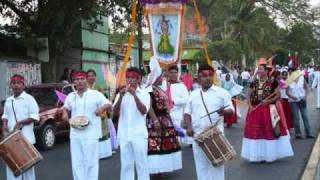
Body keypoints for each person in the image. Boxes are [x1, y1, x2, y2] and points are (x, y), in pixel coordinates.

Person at [184, 64, 234, 180]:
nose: (208, 78)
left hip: (215, 135)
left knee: (217, 166)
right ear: (199, 78)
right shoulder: (193, 94)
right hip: (198, 136)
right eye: (204, 76)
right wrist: (189, 127)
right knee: (201, 167)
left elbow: (231, 110)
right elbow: (187, 113)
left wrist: (224, 112)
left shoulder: (222, 93)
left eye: (210, 75)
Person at [61, 71, 112, 180]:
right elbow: (65, 108)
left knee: (91, 162)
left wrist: (101, 108)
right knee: (77, 162)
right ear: (74, 82)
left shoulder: (95, 94)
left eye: (82, 79)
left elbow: (108, 103)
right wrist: (65, 113)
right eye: (77, 79)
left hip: (91, 133)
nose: (80, 81)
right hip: (75, 134)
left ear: (86, 80)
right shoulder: (71, 96)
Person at [241, 63, 294, 162]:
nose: (259, 71)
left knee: (268, 132)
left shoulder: (273, 82)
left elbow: (277, 96)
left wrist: (268, 101)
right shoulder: (254, 82)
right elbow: (248, 94)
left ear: (266, 71)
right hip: (255, 110)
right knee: (256, 133)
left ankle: (269, 155)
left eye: (261, 69)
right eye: (258, 69)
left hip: (269, 110)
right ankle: (257, 156)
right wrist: (250, 106)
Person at [113, 67, 151, 180]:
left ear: (138, 79)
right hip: (124, 134)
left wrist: (134, 95)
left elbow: (144, 111)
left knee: (141, 165)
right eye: (128, 77)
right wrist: (120, 97)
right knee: (126, 165)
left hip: (138, 135)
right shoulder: (121, 94)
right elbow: (115, 112)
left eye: (133, 77)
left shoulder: (145, 94)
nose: (130, 80)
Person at [1, 74, 40, 180]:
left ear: (23, 85)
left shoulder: (29, 99)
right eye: (14, 83)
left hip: (26, 139)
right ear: (11, 85)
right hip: (11, 140)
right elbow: (5, 115)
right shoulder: (9, 100)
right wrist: (4, 126)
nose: (16, 85)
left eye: (19, 83)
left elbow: (35, 116)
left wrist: (21, 123)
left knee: (27, 169)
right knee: (12, 168)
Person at [146, 73, 182, 175]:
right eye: (161, 77)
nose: (163, 79)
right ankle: (155, 169)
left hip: (165, 119)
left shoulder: (158, 88)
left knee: (164, 144)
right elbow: (149, 106)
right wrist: (155, 120)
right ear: (156, 78)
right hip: (156, 120)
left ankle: (161, 168)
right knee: (156, 144)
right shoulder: (150, 90)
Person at [86, 69, 112, 159]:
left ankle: (102, 153)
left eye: (92, 76)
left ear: (95, 77)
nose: (91, 78)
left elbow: (102, 100)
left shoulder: (98, 87)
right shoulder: (85, 88)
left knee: (101, 132)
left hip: (99, 112)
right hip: (89, 113)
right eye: (89, 76)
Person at [286, 68, 314, 139]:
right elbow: (287, 92)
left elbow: (306, 87)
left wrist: (305, 96)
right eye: (289, 73)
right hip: (293, 101)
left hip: (302, 100)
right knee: (296, 118)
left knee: (305, 117)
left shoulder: (302, 78)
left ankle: (309, 133)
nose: (290, 74)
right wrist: (292, 96)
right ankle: (298, 134)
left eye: (292, 72)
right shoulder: (288, 80)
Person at [166, 65, 191, 145]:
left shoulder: (182, 86)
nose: (173, 74)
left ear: (178, 74)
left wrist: (174, 102)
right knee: (166, 141)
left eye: (175, 73)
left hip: (176, 116)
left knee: (176, 141)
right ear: (168, 74)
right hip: (164, 117)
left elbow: (186, 99)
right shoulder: (163, 85)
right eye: (171, 72)